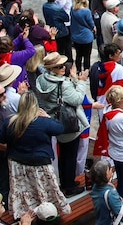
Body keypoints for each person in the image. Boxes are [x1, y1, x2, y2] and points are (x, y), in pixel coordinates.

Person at [0, 91, 70, 218]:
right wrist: (48, 116)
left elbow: (0, 139)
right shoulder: (43, 122)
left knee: (23, 190)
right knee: (44, 189)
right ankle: (47, 213)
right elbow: (60, 128)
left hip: (17, 164)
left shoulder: (10, 122)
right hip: (40, 162)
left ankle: (24, 214)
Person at [34, 51, 88, 197]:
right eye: (59, 67)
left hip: (53, 120)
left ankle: (65, 181)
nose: (63, 68)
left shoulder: (42, 79)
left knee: (63, 154)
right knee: (70, 155)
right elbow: (77, 99)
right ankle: (69, 186)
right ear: (51, 69)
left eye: (63, 65)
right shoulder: (63, 84)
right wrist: (81, 81)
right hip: (68, 122)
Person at [90, 160, 123, 225]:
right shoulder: (110, 193)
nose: (111, 169)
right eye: (109, 169)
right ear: (104, 176)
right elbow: (122, 215)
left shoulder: (95, 187)